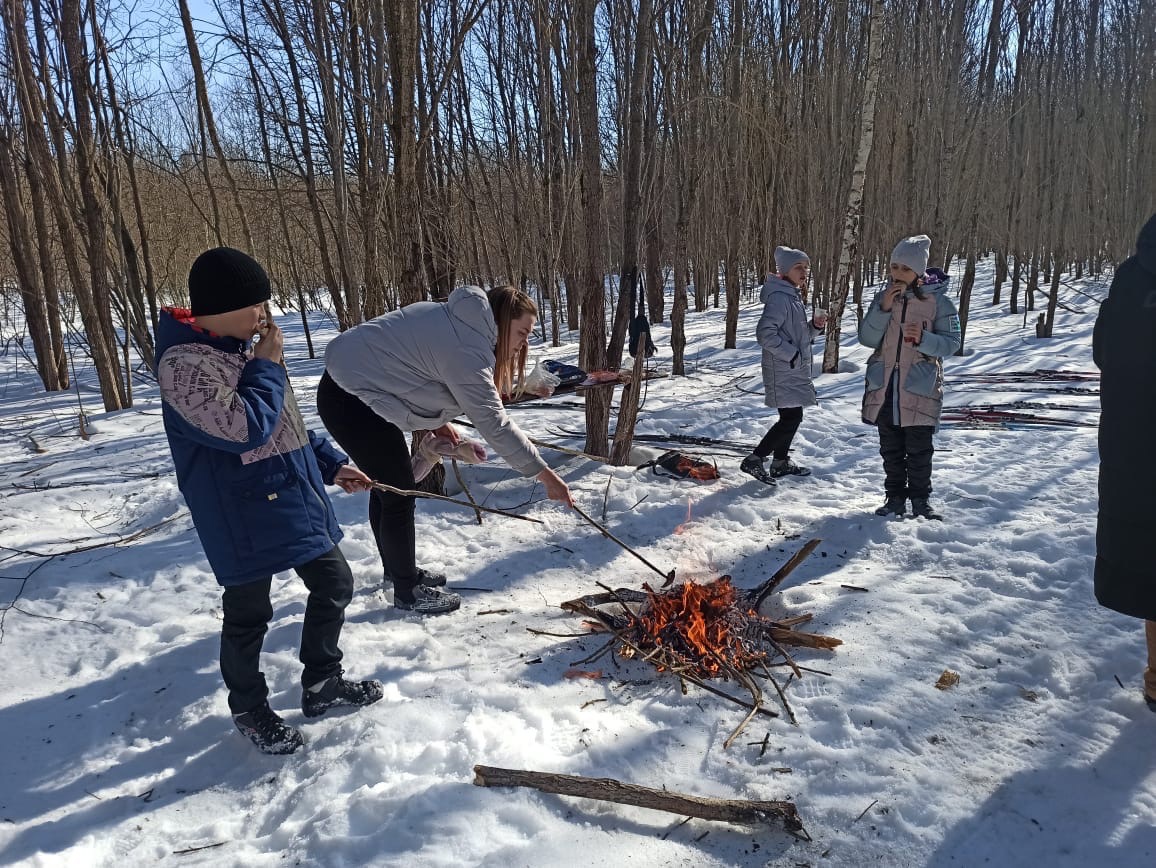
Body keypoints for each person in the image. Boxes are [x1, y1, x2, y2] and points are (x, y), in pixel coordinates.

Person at [156, 247, 383, 755]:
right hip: (236, 512)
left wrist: (330, 463)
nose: (265, 315)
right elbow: (243, 429)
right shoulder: (185, 365)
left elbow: (285, 422)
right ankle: (249, 708)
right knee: (248, 613)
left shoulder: (243, 351)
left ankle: (322, 682)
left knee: (335, 582)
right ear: (223, 305)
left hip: (291, 495)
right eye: (257, 304)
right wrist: (265, 368)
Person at [317, 284, 574, 616]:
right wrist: (546, 475)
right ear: (500, 320)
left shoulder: (460, 321)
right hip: (349, 398)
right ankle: (407, 591)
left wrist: (437, 423)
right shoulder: (469, 348)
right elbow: (494, 424)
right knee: (398, 491)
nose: (525, 341)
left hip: (355, 387)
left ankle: (398, 571)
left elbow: (412, 373)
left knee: (391, 487)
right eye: (522, 332)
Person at [1092, 212, 1156, 711]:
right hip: (1137, 445)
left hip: (1136, 449)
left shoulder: (1131, 276)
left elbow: (1104, 349)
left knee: (1148, 563)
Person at [858, 235, 961, 520]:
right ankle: (894, 498)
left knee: (918, 450)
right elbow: (867, 338)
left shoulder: (940, 302)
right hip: (885, 388)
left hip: (919, 388)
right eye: (894, 267)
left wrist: (924, 339)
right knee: (890, 449)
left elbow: (952, 343)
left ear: (919, 271)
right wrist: (883, 310)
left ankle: (920, 500)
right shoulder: (883, 298)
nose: (898, 274)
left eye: (905, 268)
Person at [740, 246, 827, 486]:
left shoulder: (792, 296)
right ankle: (755, 458)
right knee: (790, 418)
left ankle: (779, 463)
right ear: (785, 270)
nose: (804, 272)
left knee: (793, 416)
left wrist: (816, 327)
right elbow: (765, 335)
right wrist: (791, 355)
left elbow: (798, 337)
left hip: (793, 369)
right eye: (799, 267)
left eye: (806, 268)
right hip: (783, 369)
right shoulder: (780, 297)